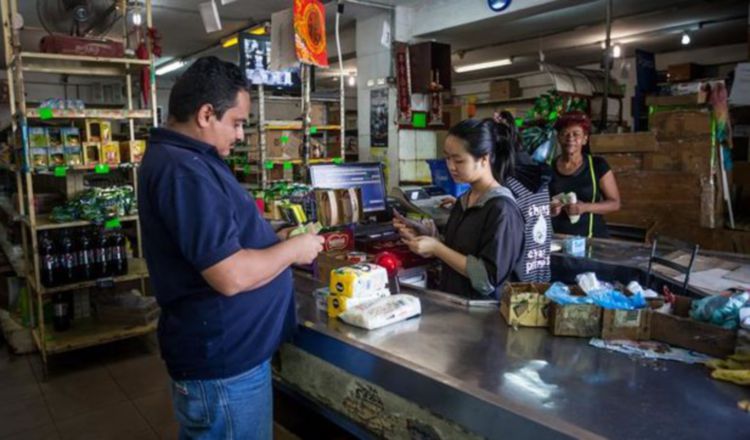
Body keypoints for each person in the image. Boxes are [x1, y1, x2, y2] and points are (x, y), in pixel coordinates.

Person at [138, 56, 324, 440]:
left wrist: (270, 234)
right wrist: (294, 250)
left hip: (225, 356)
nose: (241, 135)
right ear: (206, 114)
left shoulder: (190, 159)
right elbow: (229, 274)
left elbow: (217, 233)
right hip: (222, 364)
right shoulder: (184, 169)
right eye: (237, 123)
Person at [394, 118, 525, 299]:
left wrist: (437, 248)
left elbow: (487, 279)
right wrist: (431, 238)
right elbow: (459, 253)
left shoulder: (502, 209)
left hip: (485, 316)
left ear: (484, 159)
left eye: (459, 160)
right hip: (457, 305)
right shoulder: (464, 201)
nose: (451, 167)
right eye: (447, 158)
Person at [549, 111, 621, 238]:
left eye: (576, 134)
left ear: (584, 139)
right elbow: (538, 204)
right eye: (565, 133)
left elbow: (615, 203)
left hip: (592, 240)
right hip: (558, 241)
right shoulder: (548, 168)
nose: (570, 138)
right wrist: (550, 209)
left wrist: (585, 207)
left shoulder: (597, 165)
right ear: (559, 138)